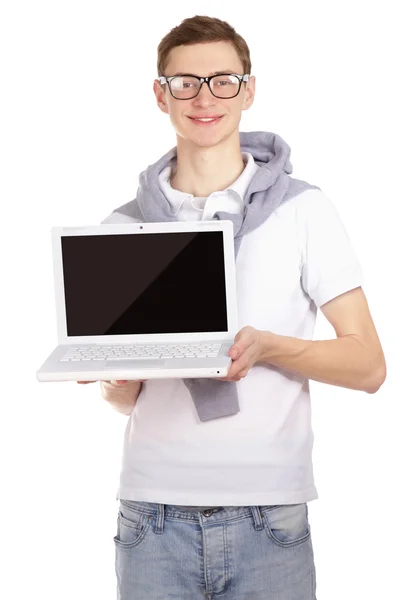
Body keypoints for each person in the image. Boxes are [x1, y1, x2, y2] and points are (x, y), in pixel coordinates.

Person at [79, 15, 386, 600]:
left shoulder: (304, 211)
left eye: (223, 80)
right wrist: (118, 376)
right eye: (184, 82)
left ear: (248, 90)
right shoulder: (122, 229)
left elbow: (368, 366)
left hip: (268, 517)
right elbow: (124, 401)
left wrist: (272, 347)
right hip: (151, 516)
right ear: (160, 94)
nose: (204, 97)